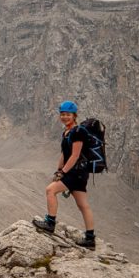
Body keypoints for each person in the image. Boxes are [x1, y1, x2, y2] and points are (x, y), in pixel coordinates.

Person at [33, 100, 96, 249]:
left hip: (76, 172)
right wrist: (58, 169)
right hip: (79, 173)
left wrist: (63, 172)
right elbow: (64, 154)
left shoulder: (78, 131)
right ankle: (90, 239)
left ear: (74, 115)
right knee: (83, 205)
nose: (64, 117)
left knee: (50, 190)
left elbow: (74, 155)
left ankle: (50, 223)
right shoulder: (67, 132)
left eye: (68, 114)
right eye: (62, 114)